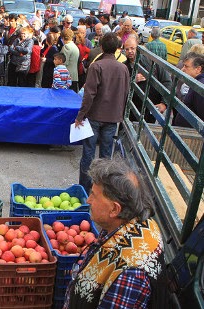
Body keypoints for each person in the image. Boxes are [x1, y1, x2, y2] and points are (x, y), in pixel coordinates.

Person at [63, 158, 169, 308]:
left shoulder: (130, 276)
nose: (88, 200)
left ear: (114, 209)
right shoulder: (139, 222)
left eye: (94, 195)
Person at [75, 33, 130, 193]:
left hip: (95, 116)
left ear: (101, 47)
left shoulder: (96, 66)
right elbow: (125, 92)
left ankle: (84, 190)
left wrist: (80, 115)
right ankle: (102, 191)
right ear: (118, 48)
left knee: (88, 154)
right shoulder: (123, 68)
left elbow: (89, 94)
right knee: (106, 156)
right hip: (113, 117)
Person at [124, 35, 172, 123]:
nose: (130, 51)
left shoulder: (152, 62)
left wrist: (164, 103)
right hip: (131, 110)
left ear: (138, 47)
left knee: (146, 133)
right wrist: (132, 80)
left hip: (150, 109)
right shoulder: (123, 66)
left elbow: (167, 82)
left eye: (132, 48)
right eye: (127, 49)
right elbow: (118, 87)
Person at [173, 52, 204, 127]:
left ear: (198, 69)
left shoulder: (199, 87)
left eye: (186, 66)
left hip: (190, 134)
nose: (182, 69)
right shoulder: (195, 83)